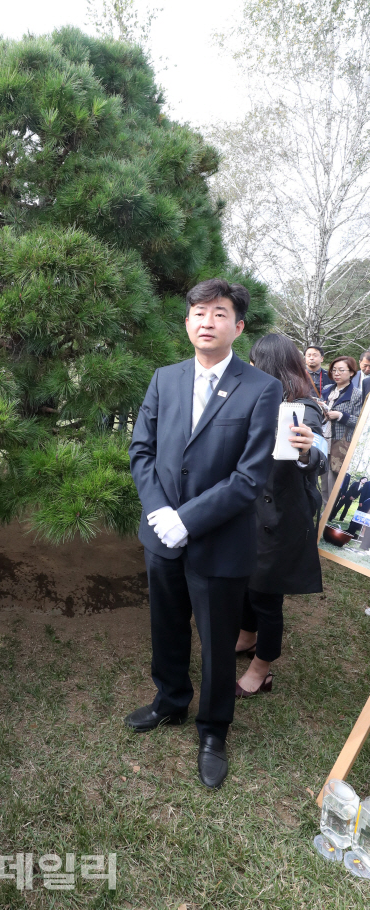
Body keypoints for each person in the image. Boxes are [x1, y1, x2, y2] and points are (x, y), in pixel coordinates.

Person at [125, 278, 282, 790]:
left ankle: (213, 729)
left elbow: (250, 475)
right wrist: (159, 514)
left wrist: (187, 519)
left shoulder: (261, 388)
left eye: (218, 313)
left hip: (218, 539)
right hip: (161, 535)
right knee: (166, 625)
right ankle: (170, 701)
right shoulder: (165, 379)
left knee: (217, 640)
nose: (205, 322)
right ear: (187, 322)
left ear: (238, 326)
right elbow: (141, 451)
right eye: (197, 313)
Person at [234, 334, 327, 697]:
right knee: (245, 582)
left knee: (266, 595)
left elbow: (317, 454)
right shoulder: (258, 399)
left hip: (282, 517)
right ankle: (246, 636)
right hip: (250, 510)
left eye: (257, 362)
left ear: (272, 366)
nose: (251, 367)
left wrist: (307, 451)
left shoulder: (305, 408)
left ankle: (263, 668)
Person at [321, 356, 362, 505]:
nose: (336, 373)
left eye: (341, 370)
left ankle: (328, 518)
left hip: (340, 443)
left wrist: (340, 416)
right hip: (323, 440)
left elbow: (360, 421)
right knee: (323, 481)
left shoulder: (356, 394)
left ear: (351, 372)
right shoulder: (327, 389)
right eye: (334, 370)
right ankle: (323, 515)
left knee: (334, 482)